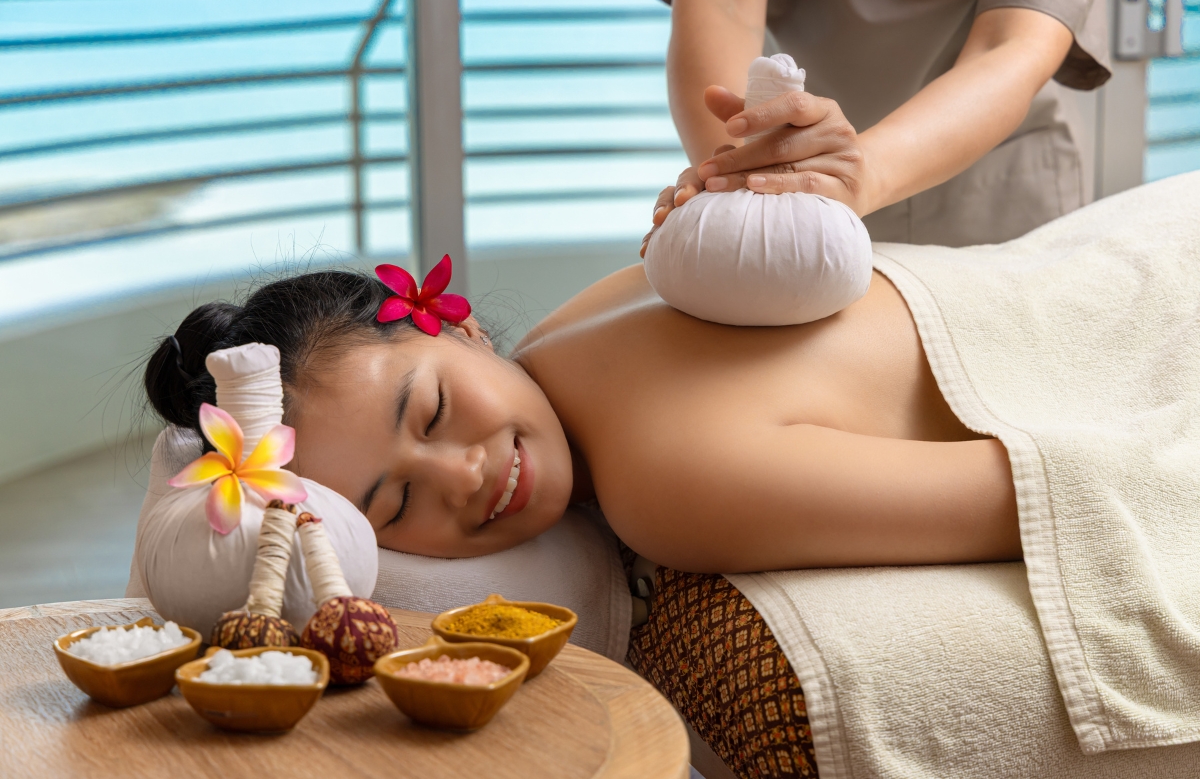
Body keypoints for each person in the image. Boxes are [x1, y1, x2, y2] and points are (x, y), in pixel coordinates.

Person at [145, 257, 1018, 575]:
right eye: (398, 505)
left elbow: (1036, 502)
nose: (465, 476)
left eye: (435, 412)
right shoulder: (572, 328)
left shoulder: (666, 488)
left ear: (460, 326)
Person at [650, 0, 1111, 246]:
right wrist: (735, 175)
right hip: (798, 179)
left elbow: (1010, 43)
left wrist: (855, 171)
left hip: (996, 182)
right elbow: (724, 0)